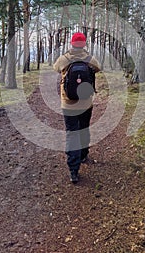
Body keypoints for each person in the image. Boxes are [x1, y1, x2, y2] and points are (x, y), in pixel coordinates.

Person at [53, 32, 100, 184]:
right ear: (84, 44)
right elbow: (99, 67)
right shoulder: (89, 59)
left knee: (72, 134)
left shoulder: (64, 59)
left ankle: (73, 170)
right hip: (86, 102)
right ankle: (84, 154)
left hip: (68, 103)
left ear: (71, 44)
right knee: (84, 128)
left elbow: (55, 68)